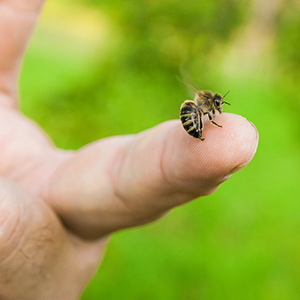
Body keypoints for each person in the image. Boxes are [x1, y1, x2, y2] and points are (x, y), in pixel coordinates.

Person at [0, 0, 258, 299]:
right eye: (217, 105)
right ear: (212, 103)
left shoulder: (205, 106)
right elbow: (201, 110)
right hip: (190, 118)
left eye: (217, 107)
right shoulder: (203, 106)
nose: (218, 109)